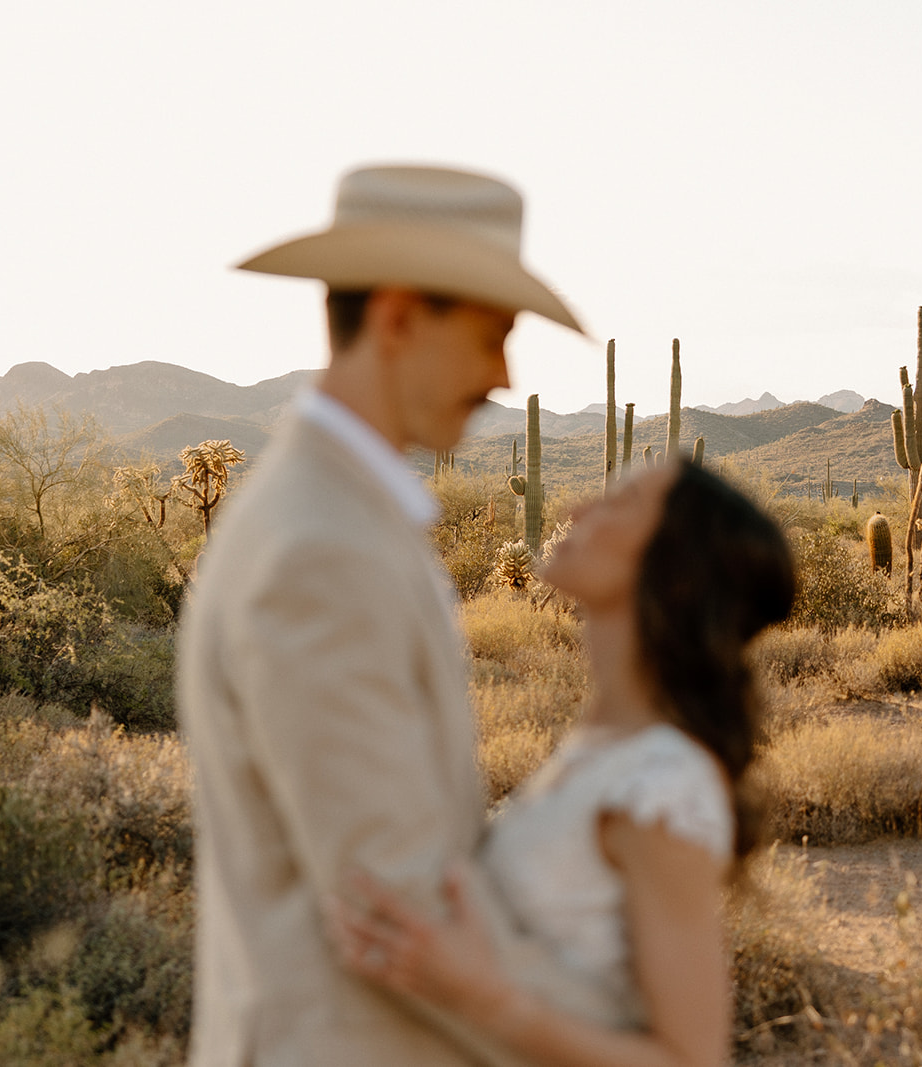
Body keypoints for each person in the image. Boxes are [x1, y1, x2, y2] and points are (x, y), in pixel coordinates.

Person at [177, 164, 627, 1067]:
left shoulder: (339, 517)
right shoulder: (320, 550)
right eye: (492, 334)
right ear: (395, 318)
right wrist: (628, 1040)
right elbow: (398, 901)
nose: (503, 373)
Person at [330, 459, 797, 1067]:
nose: (578, 511)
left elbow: (691, 1058)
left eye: (619, 503)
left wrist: (487, 1001)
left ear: (676, 572)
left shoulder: (663, 783)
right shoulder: (601, 746)